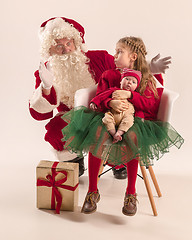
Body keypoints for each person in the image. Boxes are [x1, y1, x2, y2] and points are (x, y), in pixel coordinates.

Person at [29, 16, 171, 178]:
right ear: (49, 50)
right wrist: (46, 86)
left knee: (115, 125)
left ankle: (119, 160)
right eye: (58, 46)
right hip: (73, 117)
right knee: (56, 129)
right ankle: (74, 159)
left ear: (76, 42)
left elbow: (125, 71)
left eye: (69, 43)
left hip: (106, 110)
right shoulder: (46, 72)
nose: (66, 49)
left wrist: (148, 69)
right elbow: (39, 114)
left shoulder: (100, 58)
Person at [79, 36, 183, 216]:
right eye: (115, 51)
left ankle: (131, 193)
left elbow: (150, 104)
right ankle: (92, 191)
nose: (114, 55)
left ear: (133, 56)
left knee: (133, 138)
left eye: (119, 52)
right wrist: (110, 103)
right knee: (96, 134)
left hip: (135, 120)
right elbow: (100, 97)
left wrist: (130, 95)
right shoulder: (109, 75)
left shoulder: (145, 79)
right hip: (108, 116)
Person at [92, 69, 142, 143]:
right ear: (121, 81)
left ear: (136, 87)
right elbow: (102, 96)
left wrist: (141, 117)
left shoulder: (134, 96)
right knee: (106, 119)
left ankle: (119, 133)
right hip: (112, 114)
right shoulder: (114, 90)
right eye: (127, 79)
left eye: (133, 82)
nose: (129, 82)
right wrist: (94, 102)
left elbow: (139, 107)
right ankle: (113, 133)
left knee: (129, 121)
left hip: (126, 115)